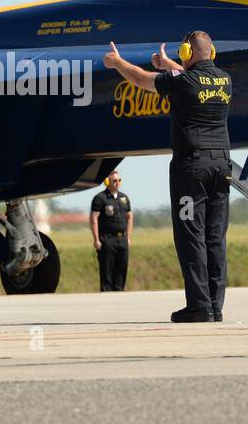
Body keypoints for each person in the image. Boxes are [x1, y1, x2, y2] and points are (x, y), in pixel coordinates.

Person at [103, 32, 232, 322]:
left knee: (191, 236)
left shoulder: (182, 81)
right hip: (222, 167)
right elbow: (197, 77)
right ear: (211, 52)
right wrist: (168, 64)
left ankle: (199, 306)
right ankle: (214, 305)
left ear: (187, 52)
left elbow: (139, 79)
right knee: (215, 237)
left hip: (192, 168)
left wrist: (118, 62)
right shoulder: (225, 78)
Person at [89, 170, 132, 291]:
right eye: (114, 181)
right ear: (107, 182)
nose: (117, 183)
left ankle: (120, 293)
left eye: (119, 180)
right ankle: (107, 296)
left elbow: (130, 217)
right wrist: (96, 239)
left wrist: (128, 237)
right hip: (107, 239)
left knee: (121, 269)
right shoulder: (100, 198)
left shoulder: (124, 198)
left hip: (122, 239)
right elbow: (94, 219)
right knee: (107, 271)